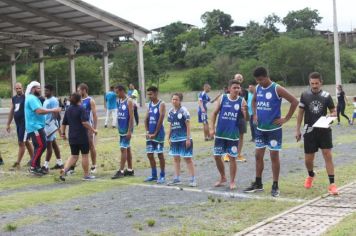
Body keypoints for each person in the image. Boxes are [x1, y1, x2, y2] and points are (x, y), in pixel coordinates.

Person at [244, 67, 298, 197]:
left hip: (274, 130)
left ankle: (275, 185)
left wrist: (286, 118)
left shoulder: (276, 88)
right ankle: (258, 183)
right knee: (258, 156)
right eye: (257, 80)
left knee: (274, 156)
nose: (259, 82)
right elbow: (254, 101)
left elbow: (294, 101)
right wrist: (255, 114)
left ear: (266, 76)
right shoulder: (258, 88)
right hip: (260, 130)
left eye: (261, 80)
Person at [296, 72, 339, 195]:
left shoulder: (326, 96)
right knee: (308, 160)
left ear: (321, 83)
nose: (314, 86)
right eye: (312, 83)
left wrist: (333, 115)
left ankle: (332, 184)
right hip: (309, 130)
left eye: (316, 83)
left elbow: (333, 111)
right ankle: (311, 175)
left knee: (328, 155)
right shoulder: (304, 95)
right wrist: (297, 129)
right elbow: (300, 113)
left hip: (324, 130)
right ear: (309, 82)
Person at [210, 80, 246, 190]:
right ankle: (223, 177)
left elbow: (246, 119)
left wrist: (245, 112)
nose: (237, 90)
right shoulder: (222, 98)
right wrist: (212, 128)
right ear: (229, 88)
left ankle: (232, 181)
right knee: (216, 156)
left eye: (238, 88)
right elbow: (214, 113)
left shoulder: (242, 101)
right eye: (234, 87)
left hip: (233, 135)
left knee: (232, 158)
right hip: (220, 134)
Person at [24, 81, 61, 175]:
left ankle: (37, 166)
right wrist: (53, 110)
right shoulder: (31, 98)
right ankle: (33, 167)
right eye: (38, 88)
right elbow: (39, 111)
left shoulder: (34, 98)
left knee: (39, 146)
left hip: (38, 126)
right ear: (33, 89)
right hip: (35, 126)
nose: (40, 90)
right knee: (41, 145)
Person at [59, 93, 98, 181]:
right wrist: (93, 130)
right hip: (82, 136)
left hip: (72, 137)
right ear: (79, 100)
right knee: (85, 155)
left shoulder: (68, 109)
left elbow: (64, 123)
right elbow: (84, 122)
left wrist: (63, 134)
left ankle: (64, 170)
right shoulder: (81, 108)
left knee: (74, 155)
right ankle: (86, 175)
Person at [167, 93, 196, 187]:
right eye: (173, 99)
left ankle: (193, 179)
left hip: (184, 139)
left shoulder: (184, 111)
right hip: (174, 139)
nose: (174, 101)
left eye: (176, 99)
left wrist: (188, 139)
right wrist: (169, 137)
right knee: (176, 159)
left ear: (180, 101)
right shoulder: (170, 112)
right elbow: (170, 125)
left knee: (187, 159)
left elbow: (188, 125)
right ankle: (177, 178)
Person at [6, 82, 34, 169]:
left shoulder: (26, 97)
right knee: (26, 142)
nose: (18, 90)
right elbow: (12, 111)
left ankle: (18, 163)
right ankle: (34, 159)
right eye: (16, 88)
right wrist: (8, 123)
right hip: (18, 124)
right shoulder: (14, 98)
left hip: (25, 123)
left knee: (21, 142)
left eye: (20, 88)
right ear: (14, 89)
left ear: (23, 88)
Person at [111, 85, 135, 179]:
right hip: (121, 129)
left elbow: (131, 117)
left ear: (122, 91)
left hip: (126, 129)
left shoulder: (129, 101)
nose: (116, 94)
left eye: (117, 92)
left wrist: (129, 131)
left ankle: (120, 171)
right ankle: (130, 170)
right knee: (127, 148)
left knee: (123, 148)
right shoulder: (119, 101)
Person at [144, 86, 166, 184]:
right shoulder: (149, 104)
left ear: (156, 93)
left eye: (151, 94)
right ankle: (154, 175)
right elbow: (146, 119)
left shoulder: (161, 104)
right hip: (150, 134)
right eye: (148, 94)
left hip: (159, 134)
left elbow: (161, 119)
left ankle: (162, 176)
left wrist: (155, 133)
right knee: (149, 154)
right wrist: (147, 131)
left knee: (160, 155)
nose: (149, 96)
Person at [42, 84, 64, 173]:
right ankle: (60, 163)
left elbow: (56, 114)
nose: (45, 92)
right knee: (54, 144)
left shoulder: (54, 100)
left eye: (47, 90)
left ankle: (45, 166)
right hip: (46, 124)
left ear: (51, 91)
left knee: (49, 146)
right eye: (45, 90)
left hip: (50, 126)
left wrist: (56, 127)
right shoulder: (46, 100)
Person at [77, 83, 98, 173]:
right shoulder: (78, 101)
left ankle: (94, 166)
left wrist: (94, 128)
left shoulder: (90, 100)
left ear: (84, 90)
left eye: (79, 90)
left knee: (91, 146)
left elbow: (94, 115)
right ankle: (74, 166)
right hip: (80, 128)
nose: (78, 92)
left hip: (88, 127)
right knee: (79, 147)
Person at [232, 74, 249, 162]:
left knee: (241, 136)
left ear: (242, 80)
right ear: (234, 78)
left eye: (240, 78)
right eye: (237, 78)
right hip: (231, 117)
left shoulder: (245, 92)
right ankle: (229, 154)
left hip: (241, 117)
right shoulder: (229, 90)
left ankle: (238, 154)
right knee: (231, 135)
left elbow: (245, 103)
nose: (239, 79)